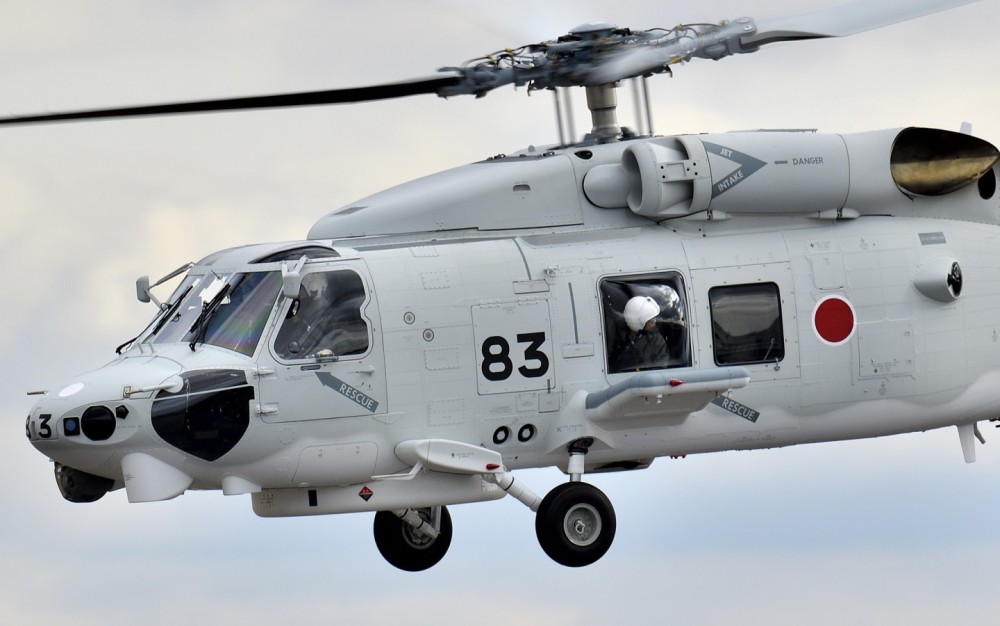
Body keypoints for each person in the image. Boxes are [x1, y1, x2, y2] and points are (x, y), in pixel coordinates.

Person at [611, 296, 669, 372]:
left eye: (654, 318)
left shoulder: (656, 340)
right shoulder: (617, 338)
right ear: (636, 322)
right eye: (650, 320)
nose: (654, 322)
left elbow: (661, 367)